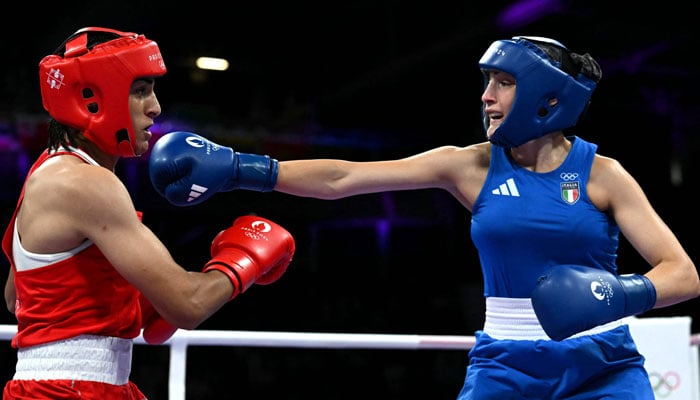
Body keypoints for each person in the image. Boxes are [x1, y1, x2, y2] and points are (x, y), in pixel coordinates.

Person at [148, 35, 700, 398]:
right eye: (486, 82)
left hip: (604, 364)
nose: (486, 97)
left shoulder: (604, 174)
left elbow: (682, 272)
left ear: (547, 96)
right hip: (505, 365)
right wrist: (249, 169)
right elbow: (346, 178)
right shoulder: (470, 166)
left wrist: (617, 293)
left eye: (503, 83)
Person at [1, 27, 296, 400]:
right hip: (71, 389)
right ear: (92, 99)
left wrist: (131, 302)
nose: (155, 107)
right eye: (140, 91)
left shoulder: (46, 171)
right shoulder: (85, 183)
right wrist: (245, 259)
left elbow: (18, 296)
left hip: (69, 386)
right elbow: (189, 305)